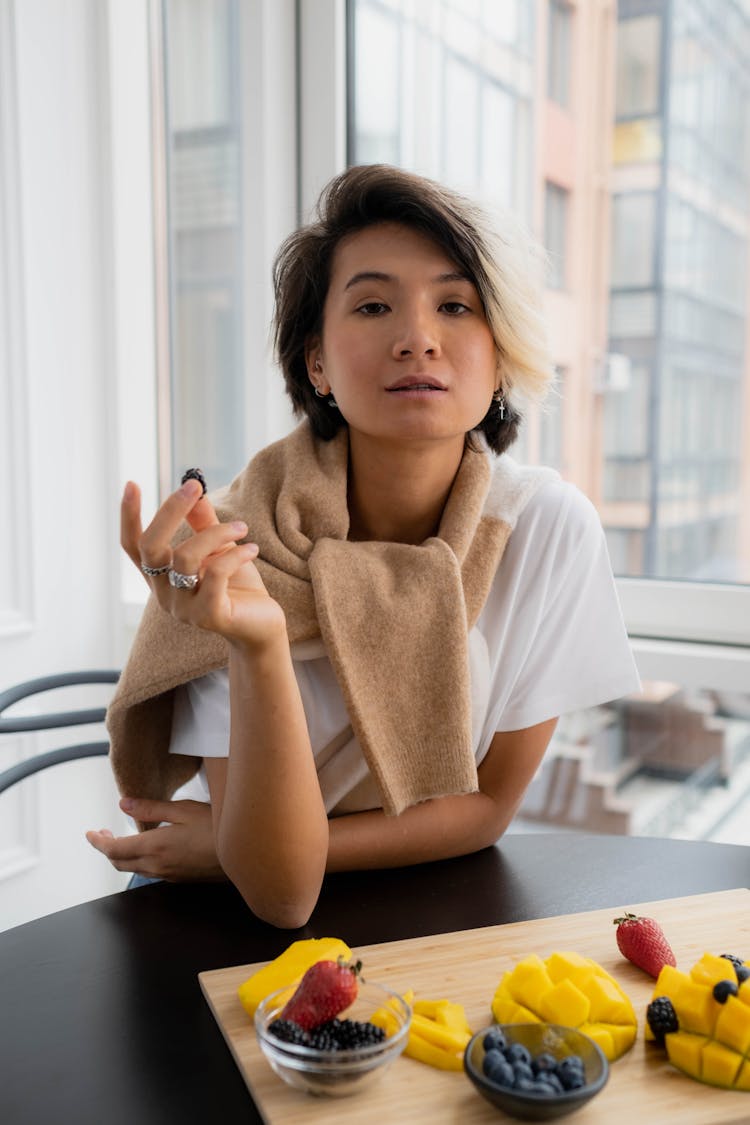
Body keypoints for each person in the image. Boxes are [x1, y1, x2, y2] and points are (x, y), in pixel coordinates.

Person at [87, 164, 640, 928]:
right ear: (317, 362)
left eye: (455, 305)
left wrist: (232, 846)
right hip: (222, 923)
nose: (417, 338)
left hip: (428, 907)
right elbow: (279, 894)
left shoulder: (545, 528)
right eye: (374, 305)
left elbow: (484, 810)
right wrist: (258, 643)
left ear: (502, 354)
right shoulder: (236, 550)